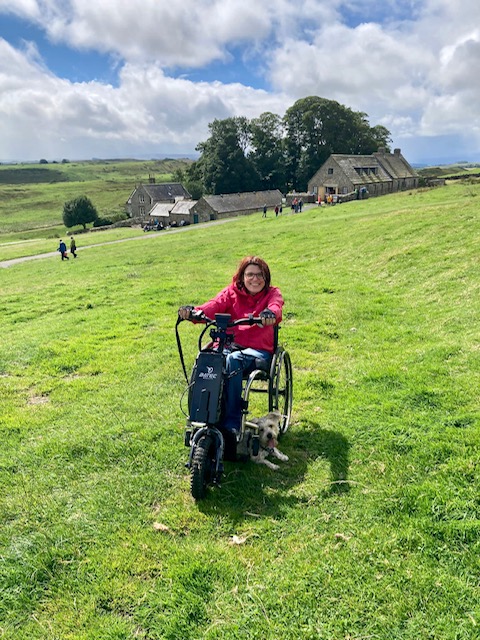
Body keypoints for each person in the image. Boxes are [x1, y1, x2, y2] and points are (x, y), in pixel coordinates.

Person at [178, 256, 284, 457]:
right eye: (250, 274)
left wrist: (269, 313)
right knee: (208, 359)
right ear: (242, 276)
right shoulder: (231, 293)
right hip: (229, 345)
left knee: (232, 361)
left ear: (266, 277)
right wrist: (194, 312)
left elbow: (276, 306)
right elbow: (213, 305)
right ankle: (203, 417)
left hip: (256, 350)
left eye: (260, 275)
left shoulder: (272, 293)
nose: (255, 279)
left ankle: (232, 424)